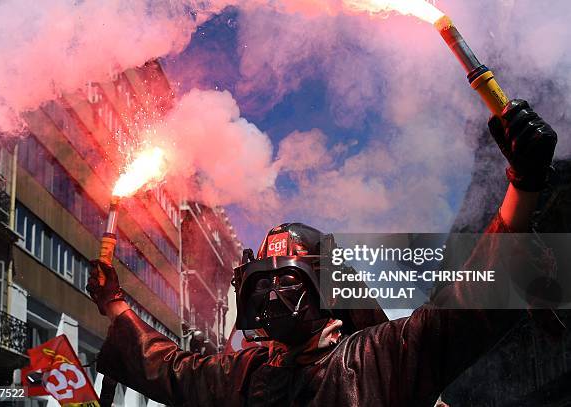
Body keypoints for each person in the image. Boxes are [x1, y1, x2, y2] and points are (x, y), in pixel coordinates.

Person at [87, 100, 558, 407]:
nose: (272, 293)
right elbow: (167, 366)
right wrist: (114, 304)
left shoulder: (383, 356)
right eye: (262, 279)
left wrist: (523, 183)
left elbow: (465, 305)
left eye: (285, 277)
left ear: (324, 286)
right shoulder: (242, 377)